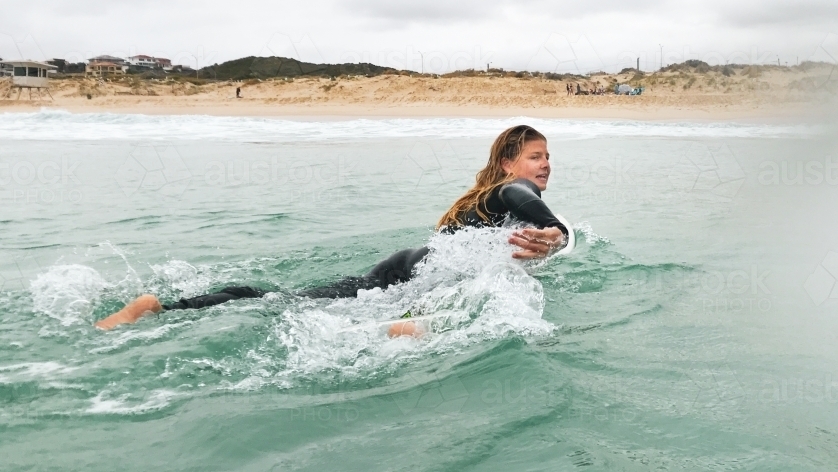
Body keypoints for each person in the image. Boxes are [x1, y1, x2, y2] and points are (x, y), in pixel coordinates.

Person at [95, 125, 566, 331]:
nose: (545, 164)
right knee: (285, 304)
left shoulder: (480, 198)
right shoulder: (510, 193)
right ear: (509, 164)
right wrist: (556, 232)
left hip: (405, 268)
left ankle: (168, 307)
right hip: (411, 275)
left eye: (547, 156)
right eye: (535, 156)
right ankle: (409, 328)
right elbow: (527, 203)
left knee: (286, 300)